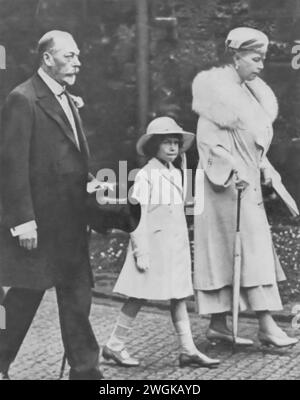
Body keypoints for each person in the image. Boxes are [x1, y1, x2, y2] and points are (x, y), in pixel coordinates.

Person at [0, 30, 102, 380]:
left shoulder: (68, 98)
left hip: (71, 226)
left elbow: (67, 158)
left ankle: (86, 372)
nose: (78, 62)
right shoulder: (23, 98)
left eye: (77, 55)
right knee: (23, 301)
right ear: (47, 58)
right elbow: (11, 166)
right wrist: (23, 221)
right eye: (69, 56)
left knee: (77, 303)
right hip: (39, 227)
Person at [191, 27, 298, 347]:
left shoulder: (251, 92)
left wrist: (263, 166)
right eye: (255, 59)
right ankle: (264, 325)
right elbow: (209, 144)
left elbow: (253, 145)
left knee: (250, 249)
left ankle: (220, 324)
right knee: (241, 250)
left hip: (245, 184)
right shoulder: (215, 94)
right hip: (221, 187)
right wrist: (234, 168)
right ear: (236, 58)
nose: (261, 65)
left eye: (262, 59)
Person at [102, 117, 220, 368]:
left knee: (178, 296)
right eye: (166, 142)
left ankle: (188, 350)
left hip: (172, 247)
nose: (172, 148)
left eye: (176, 143)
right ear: (153, 146)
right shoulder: (146, 175)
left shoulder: (175, 173)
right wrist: (141, 252)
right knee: (137, 296)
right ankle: (114, 344)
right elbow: (135, 215)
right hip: (151, 247)